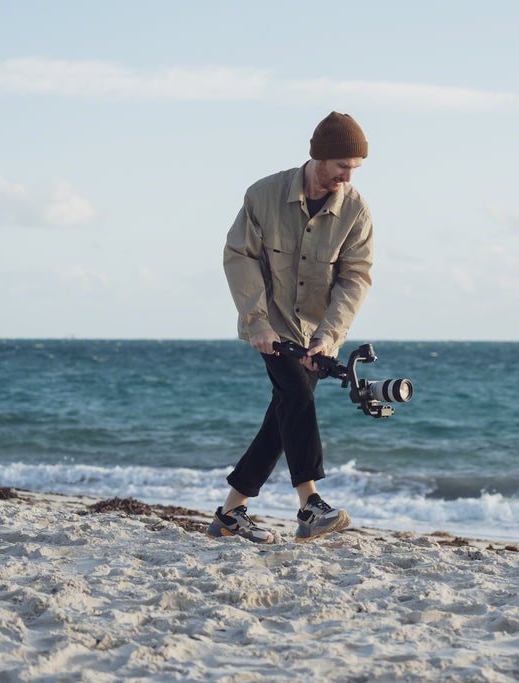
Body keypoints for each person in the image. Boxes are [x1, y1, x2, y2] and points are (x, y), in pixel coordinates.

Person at [207, 112, 373, 544]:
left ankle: (230, 513)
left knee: (283, 417)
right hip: (272, 326)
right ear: (318, 157)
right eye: (341, 166)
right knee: (296, 397)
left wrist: (330, 336)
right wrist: (257, 323)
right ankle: (310, 504)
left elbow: (355, 277)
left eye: (354, 168)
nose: (347, 175)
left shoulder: (354, 209)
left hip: (316, 333)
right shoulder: (263, 195)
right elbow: (239, 256)